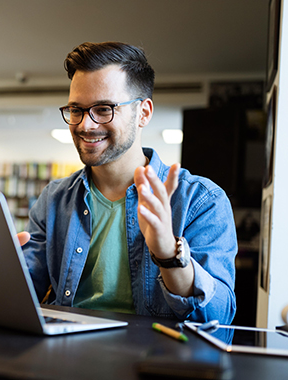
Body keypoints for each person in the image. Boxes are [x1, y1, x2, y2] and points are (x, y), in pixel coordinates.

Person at [19, 41, 237, 324]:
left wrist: (168, 254)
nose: (86, 124)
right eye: (77, 110)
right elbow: (23, 295)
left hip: (154, 360)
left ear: (143, 113)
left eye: (104, 109)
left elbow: (219, 318)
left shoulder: (202, 200)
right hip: (64, 356)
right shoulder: (54, 199)